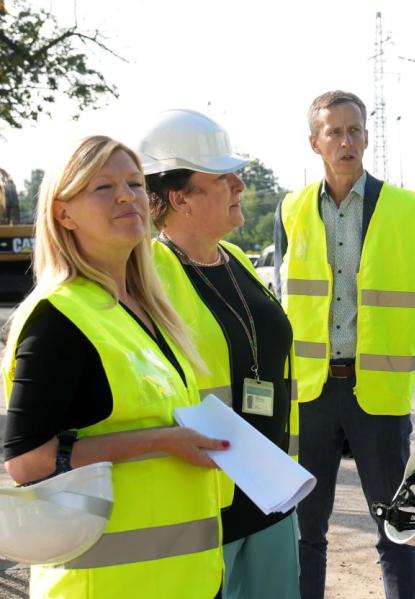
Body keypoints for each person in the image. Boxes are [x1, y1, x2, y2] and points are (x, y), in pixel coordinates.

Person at [1, 136, 226, 598]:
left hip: (183, 581)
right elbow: (27, 462)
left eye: (136, 184)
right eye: (103, 187)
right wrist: (164, 441)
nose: (127, 196)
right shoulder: (57, 316)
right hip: (105, 585)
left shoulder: (143, 308)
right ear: (63, 213)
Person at [273, 90, 415, 599]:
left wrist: (401, 364)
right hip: (312, 394)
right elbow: (285, 301)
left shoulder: (409, 211)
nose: (346, 141)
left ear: (367, 136)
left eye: (355, 130)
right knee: (306, 530)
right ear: (314, 142)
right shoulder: (291, 210)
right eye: (335, 132)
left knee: (397, 527)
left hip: (379, 394)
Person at [139, 109, 300, 599]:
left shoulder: (236, 264)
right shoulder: (146, 277)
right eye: (223, 177)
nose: (239, 185)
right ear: (179, 198)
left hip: (270, 493)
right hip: (206, 506)